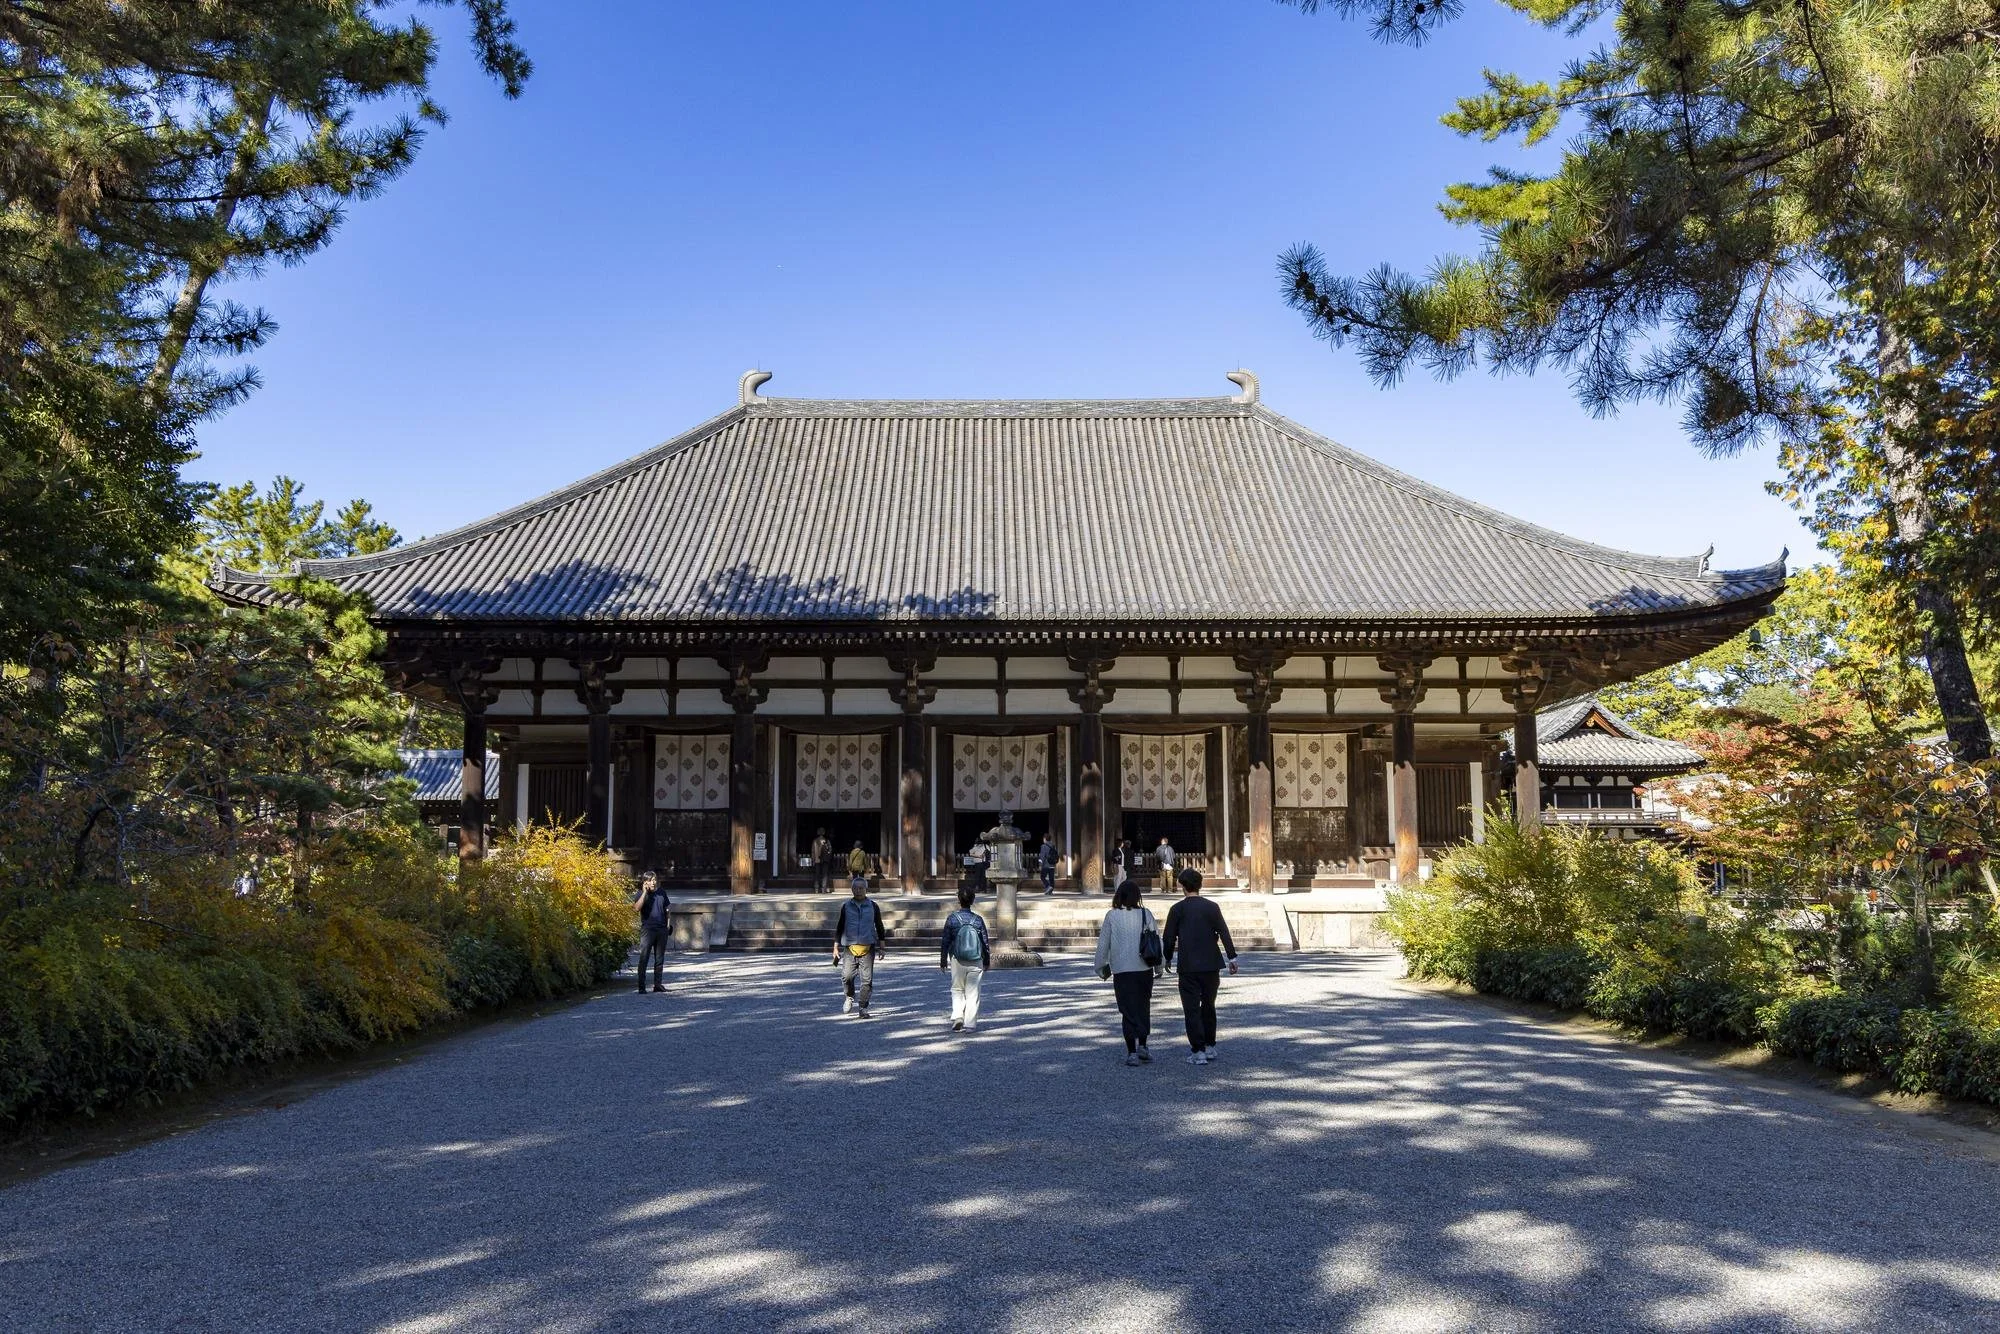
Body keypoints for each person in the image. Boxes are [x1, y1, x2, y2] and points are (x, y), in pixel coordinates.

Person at [1162, 868, 1236, 1064]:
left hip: (1188, 965)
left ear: (1182, 886)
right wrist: (1232, 957)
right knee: (1209, 1005)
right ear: (1200, 885)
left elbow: (1169, 938)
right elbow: (1224, 931)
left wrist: (1167, 957)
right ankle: (1210, 1045)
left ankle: (1198, 1049)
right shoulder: (1212, 907)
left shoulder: (1177, 909)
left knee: (1191, 1008)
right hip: (1211, 963)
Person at [1094, 880, 1161, 1065]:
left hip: (1122, 970)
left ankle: (1131, 1051)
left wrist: (1100, 967)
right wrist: (1159, 966)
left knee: (1127, 1010)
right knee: (1143, 1006)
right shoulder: (1146, 914)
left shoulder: (1112, 916)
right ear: (1138, 896)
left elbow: (1103, 944)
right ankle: (1144, 1046)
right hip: (1143, 969)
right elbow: (1156, 941)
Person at [938, 884, 991, 1032]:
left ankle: (958, 1015)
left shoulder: (952, 919)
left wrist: (943, 960)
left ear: (959, 900)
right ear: (972, 901)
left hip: (957, 959)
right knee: (973, 992)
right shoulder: (978, 920)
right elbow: (985, 942)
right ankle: (970, 1024)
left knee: (957, 989)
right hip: (976, 960)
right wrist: (987, 960)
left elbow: (945, 941)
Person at [833, 877, 886, 1017]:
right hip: (850, 947)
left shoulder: (873, 906)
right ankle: (849, 996)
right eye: (855, 888)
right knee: (847, 976)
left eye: (861, 888)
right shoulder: (846, 906)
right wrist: (835, 946)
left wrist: (882, 945)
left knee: (867, 980)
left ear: (866, 889)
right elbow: (840, 927)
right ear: (851, 889)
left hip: (868, 947)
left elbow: (879, 925)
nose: (858, 891)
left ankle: (863, 1007)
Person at [633, 871, 671, 994]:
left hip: (661, 930)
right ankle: (641, 986)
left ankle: (658, 985)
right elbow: (636, 908)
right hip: (648, 930)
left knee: (659, 959)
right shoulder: (640, 894)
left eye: (654, 879)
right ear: (645, 882)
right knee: (644, 958)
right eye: (650, 880)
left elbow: (668, 909)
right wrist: (644, 892)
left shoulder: (661, 892)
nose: (653, 882)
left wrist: (668, 926)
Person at [811, 827, 834, 893]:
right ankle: (823, 889)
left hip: (817, 860)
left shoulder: (815, 841)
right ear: (824, 833)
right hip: (825, 860)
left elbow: (812, 851)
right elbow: (830, 850)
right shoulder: (827, 841)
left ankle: (816, 889)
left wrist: (813, 859)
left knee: (817, 874)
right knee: (825, 874)